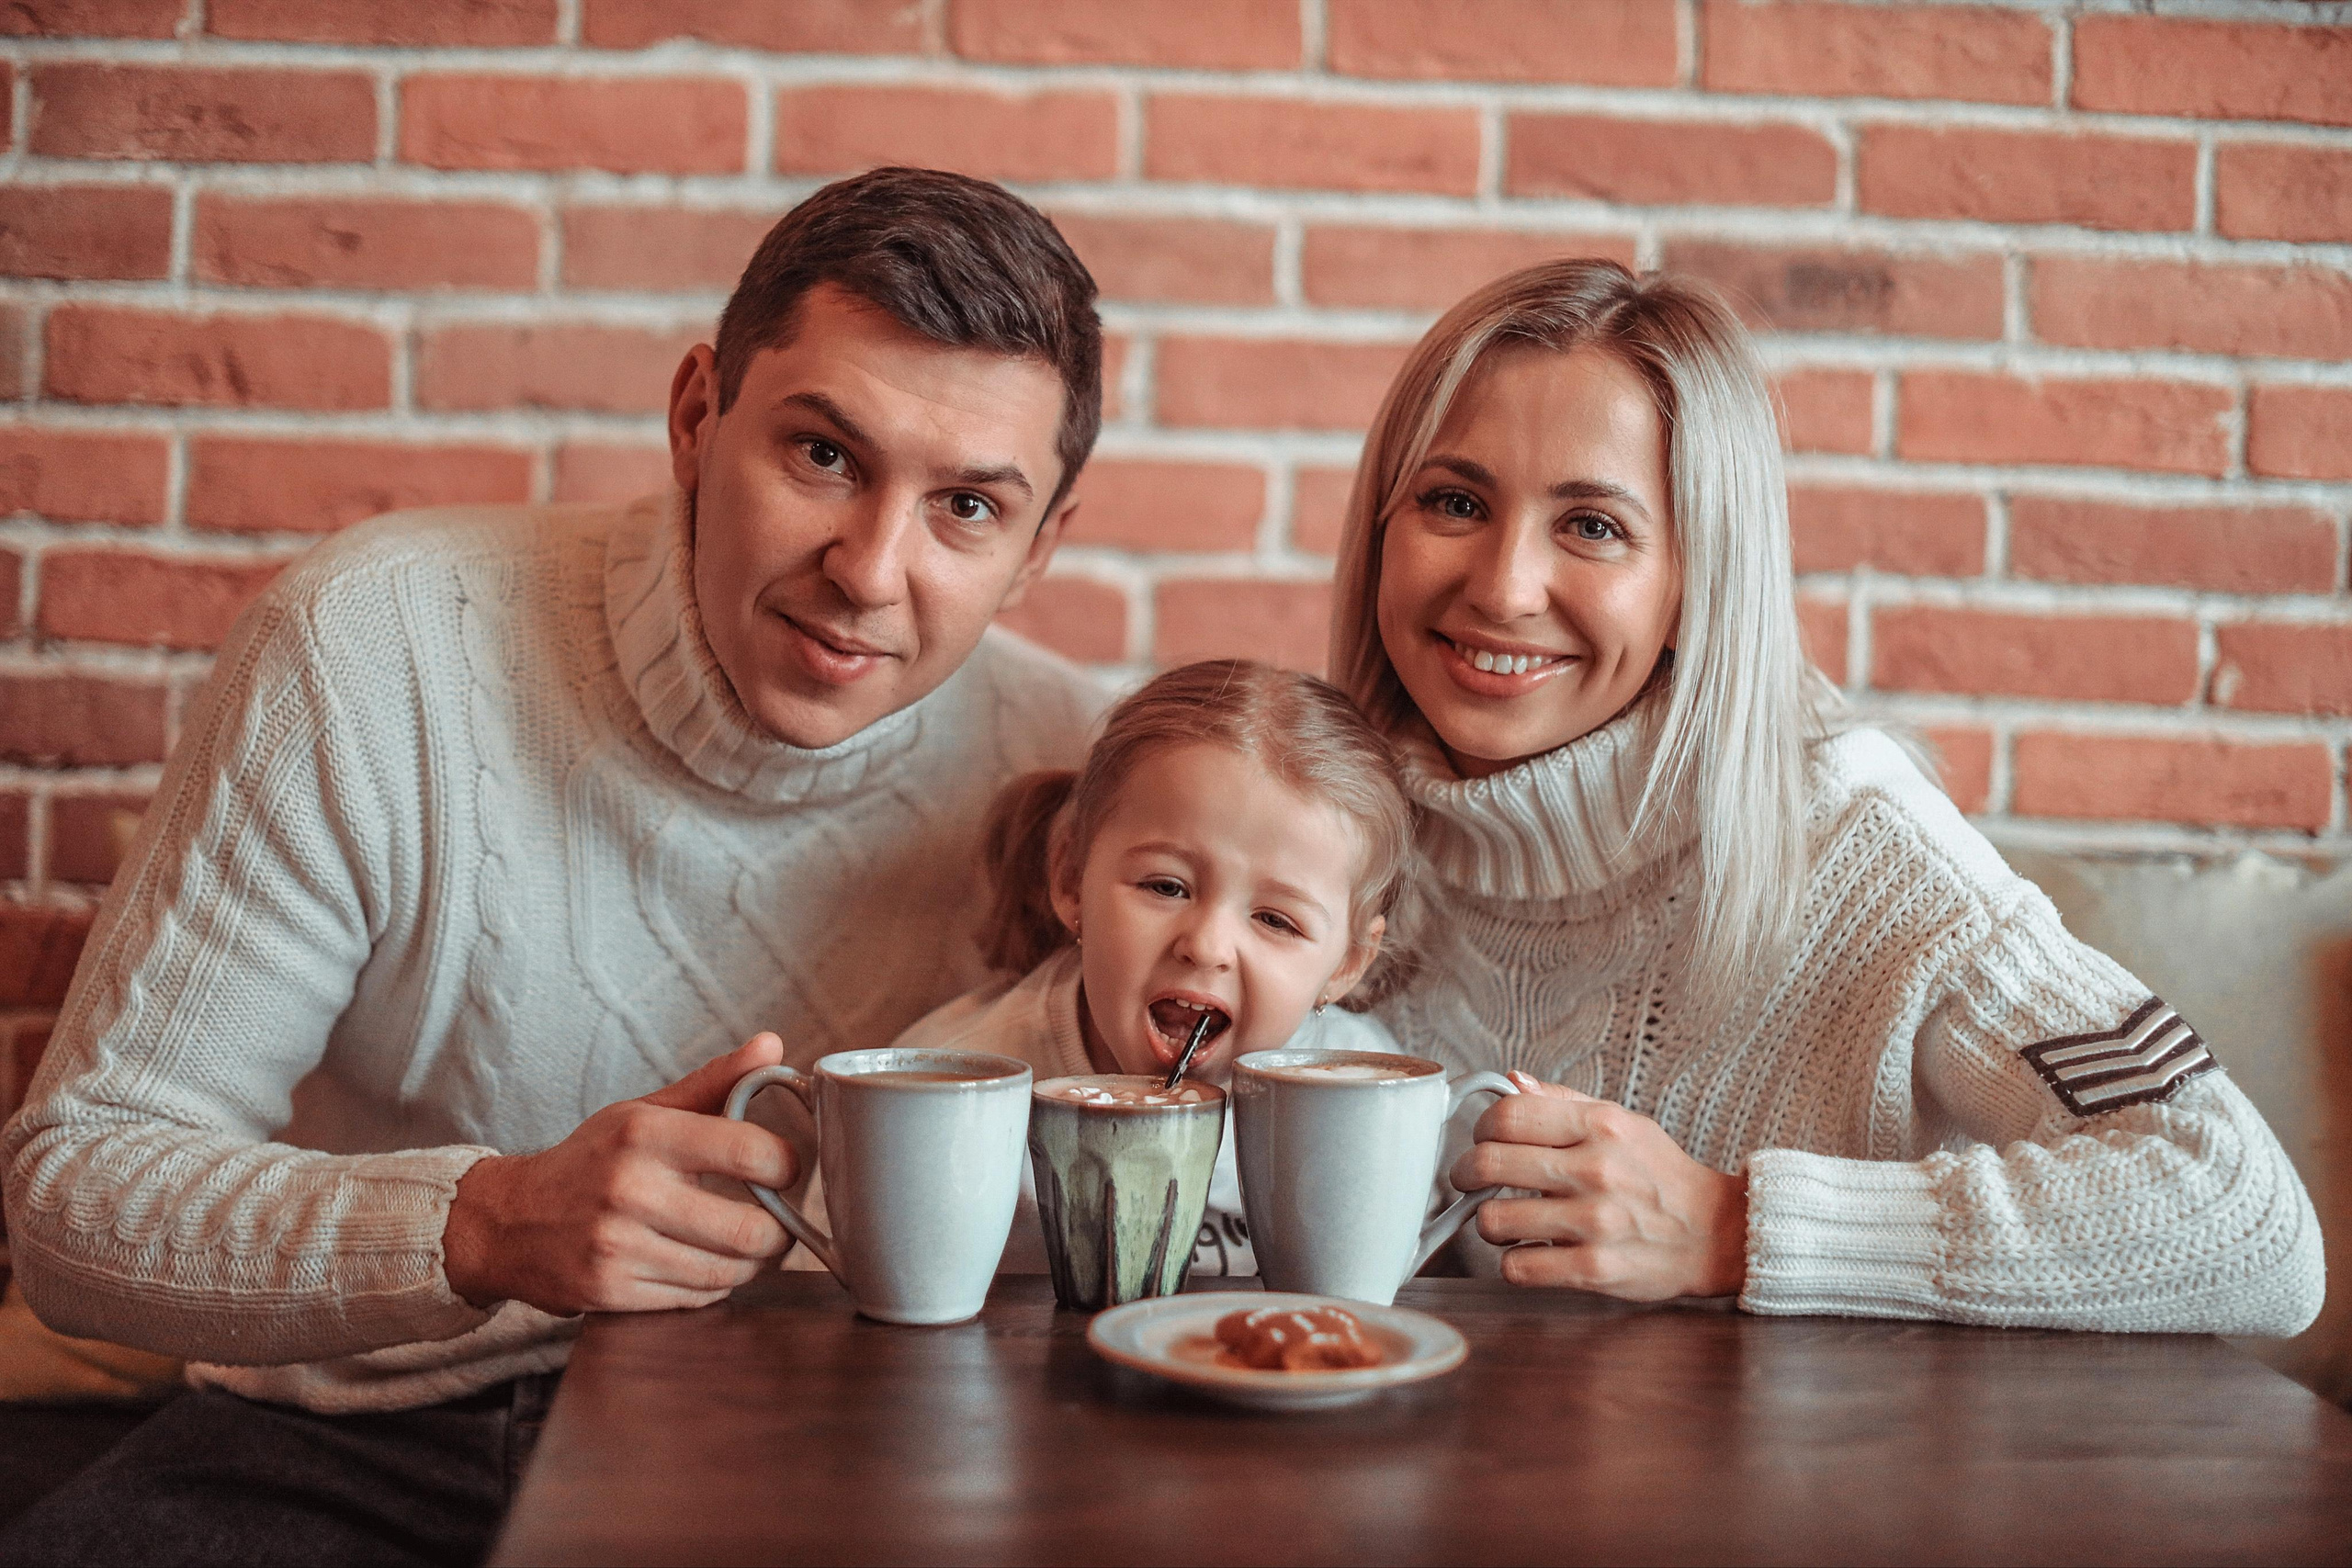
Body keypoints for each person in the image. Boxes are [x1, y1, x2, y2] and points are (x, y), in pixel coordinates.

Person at [0, 167, 1110, 1565]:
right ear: (697, 415)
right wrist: (483, 1225)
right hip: (366, 1432)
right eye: (825, 455)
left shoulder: (1074, 773)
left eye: (967, 507)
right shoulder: (370, 647)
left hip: (844, 1439)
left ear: (1040, 547)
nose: (872, 570)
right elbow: (75, 1198)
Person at [1326, 257, 2324, 1334]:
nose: (1502, 587)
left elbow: (2246, 1216)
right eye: (1456, 502)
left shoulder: (1860, 840)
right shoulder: (1324, 829)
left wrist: (1731, 1226)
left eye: (1593, 526)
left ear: (1697, 581)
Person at [859, 658, 1410, 1280]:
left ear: (1347, 963)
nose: (1207, 947)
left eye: (1276, 920)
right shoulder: (947, 1092)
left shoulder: (1373, 1102)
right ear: (1072, 879)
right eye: (1166, 886)